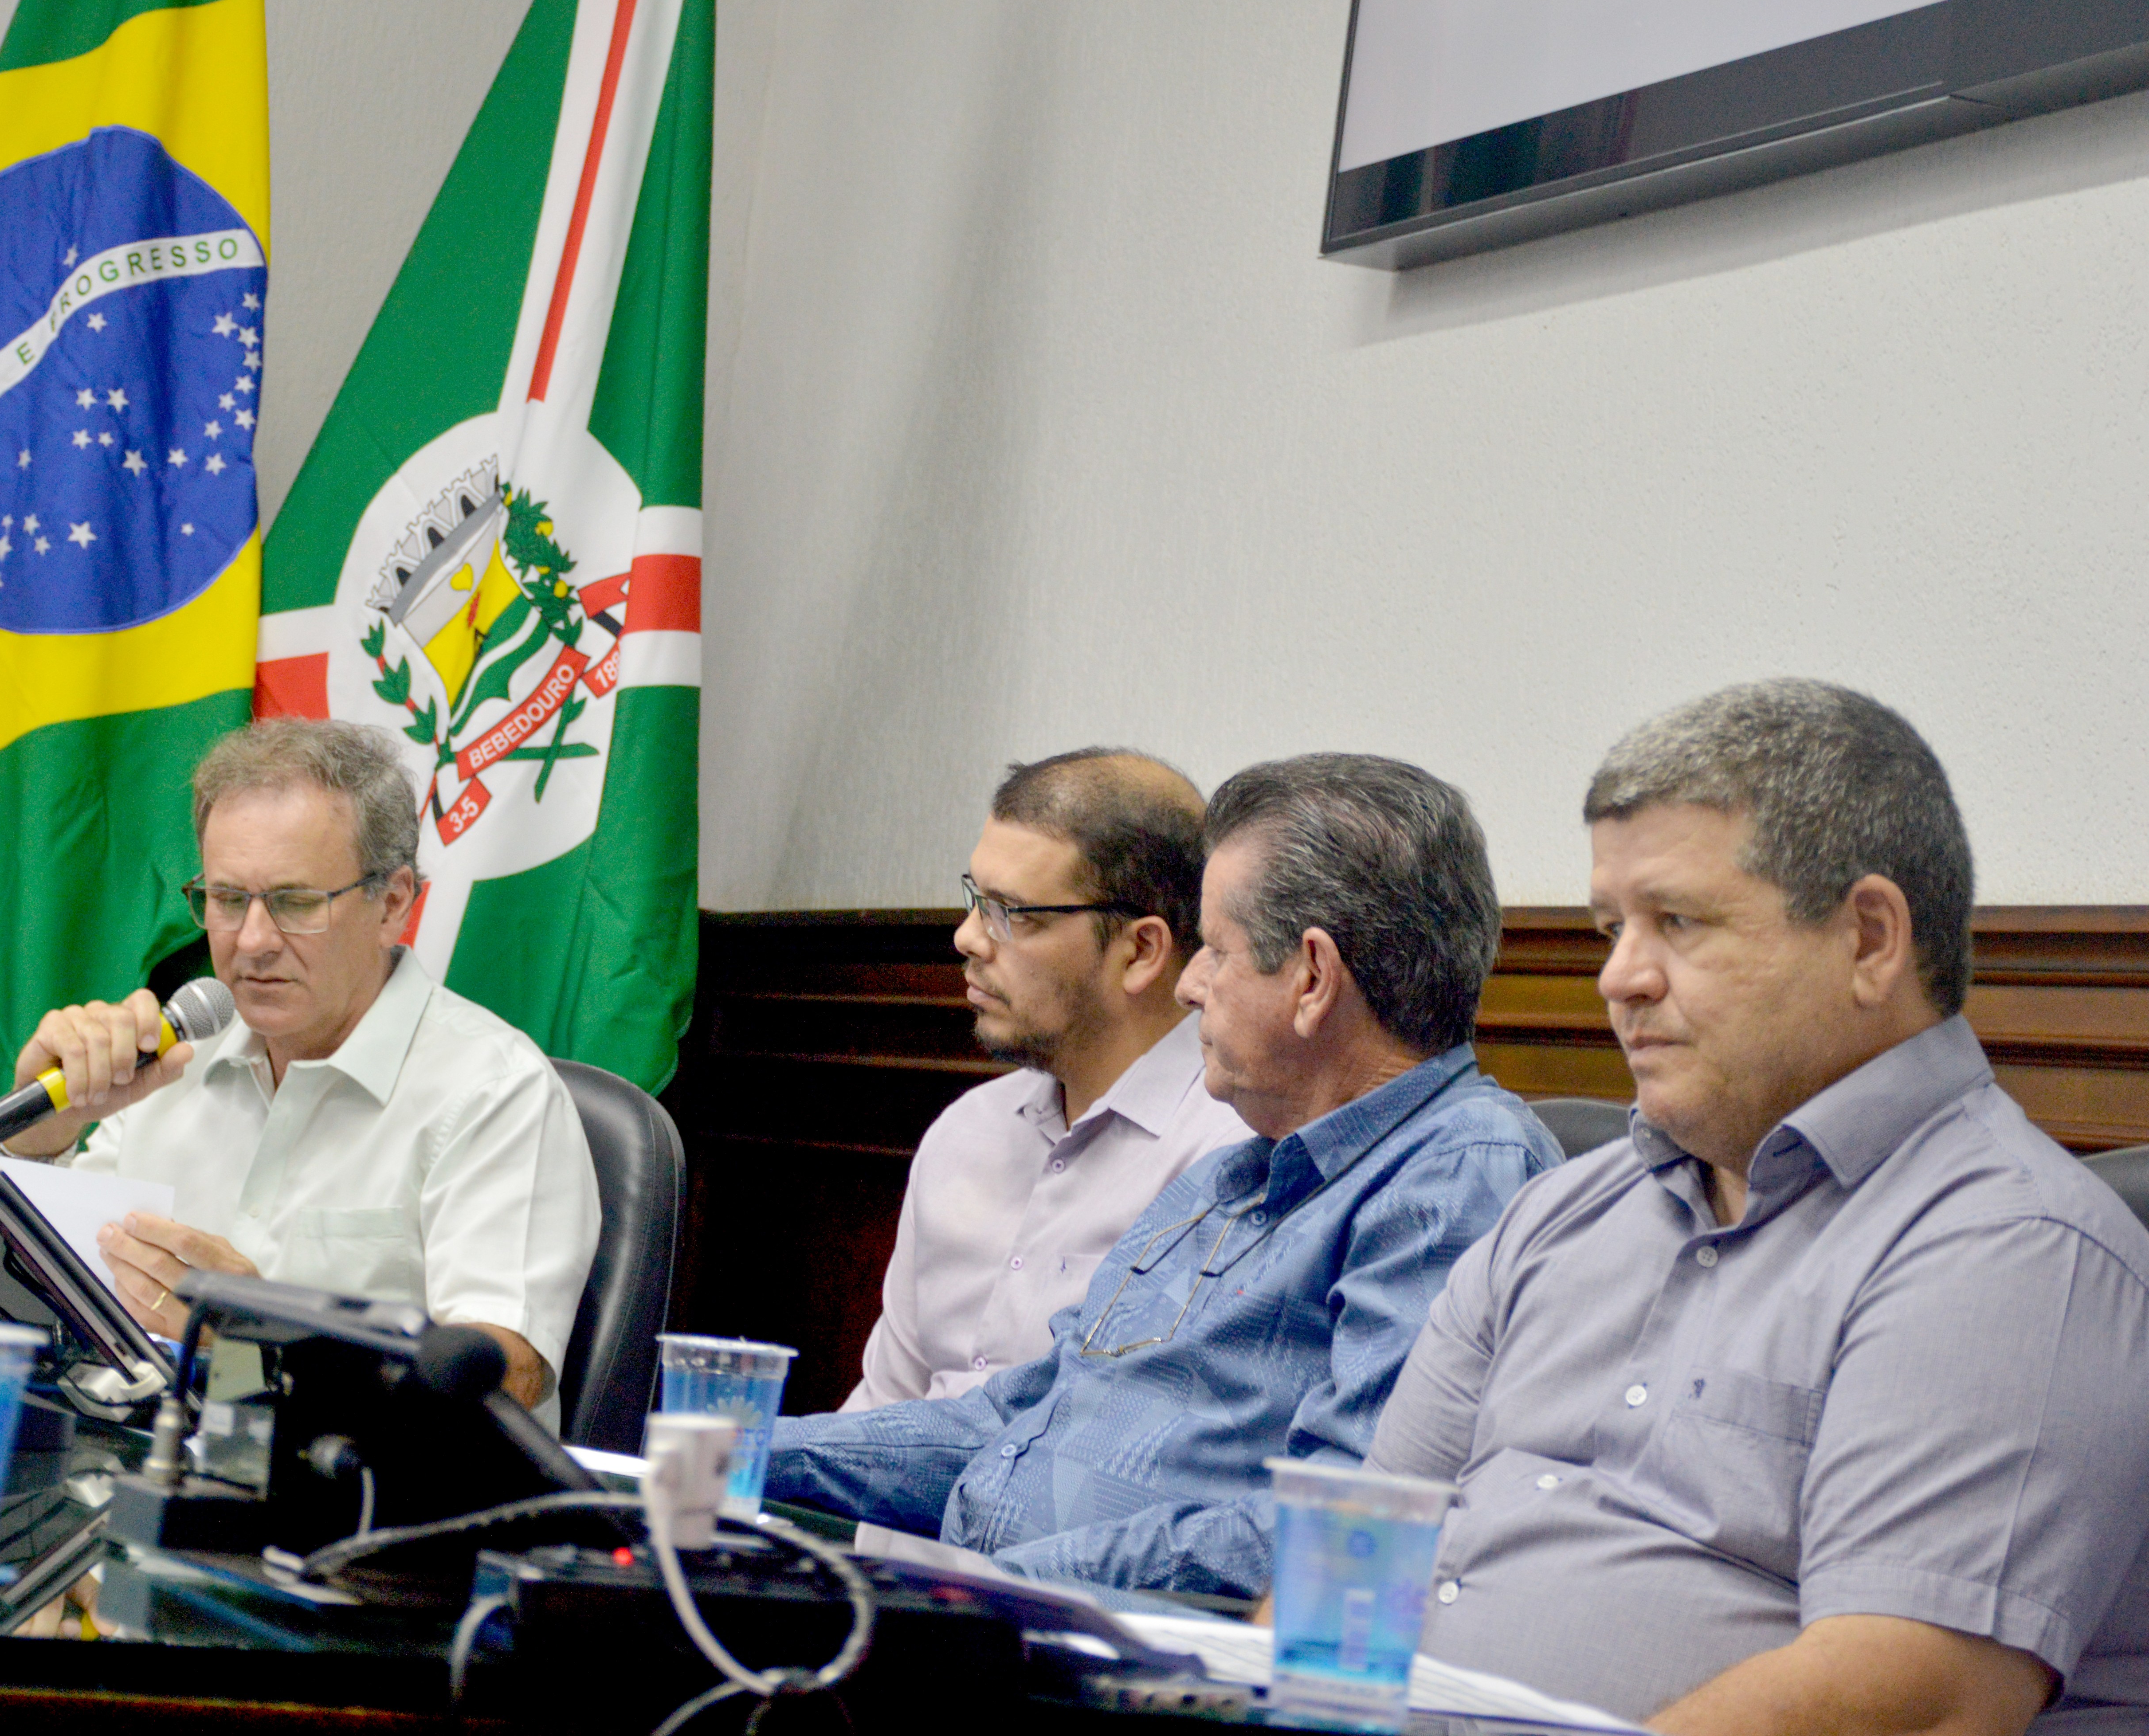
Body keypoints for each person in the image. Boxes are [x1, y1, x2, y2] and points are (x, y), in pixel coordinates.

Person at [1369, 680, 2149, 1733]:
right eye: (1607, 926)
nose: (1616, 978)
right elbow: (1362, 1545)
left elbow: (1905, 1701)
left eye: (1676, 922)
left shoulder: (2009, 1249)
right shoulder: (1556, 1211)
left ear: (1868, 938)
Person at [764, 754, 1560, 1596]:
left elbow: (1347, 1522)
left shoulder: (1457, 1175)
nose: (1188, 986)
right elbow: (1010, 1418)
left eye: (1216, 951)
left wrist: (1000, 1584)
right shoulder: (1228, 1177)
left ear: (1313, 979)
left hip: (1130, 1659)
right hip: (999, 1616)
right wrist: (728, 1448)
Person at [0, 718, 600, 1426]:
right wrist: (44, 1136)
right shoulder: (175, 1055)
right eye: (226, 900)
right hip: (149, 1471)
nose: (253, 941)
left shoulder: (494, 1091)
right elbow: (57, 1290)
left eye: (295, 903)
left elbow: (503, 1382)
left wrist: (270, 1339)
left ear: (394, 903)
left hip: (373, 1515)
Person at [843, 749, 1245, 1412]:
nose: (967, 938)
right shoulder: (966, 1131)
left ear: (1141, 951)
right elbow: (884, 1405)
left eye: (1013, 913)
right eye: (975, 899)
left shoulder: (1226, 1154)